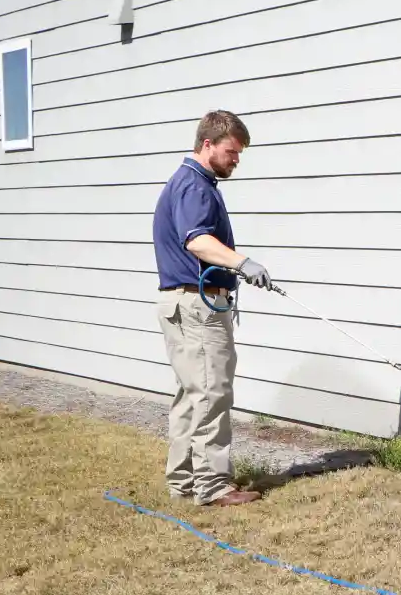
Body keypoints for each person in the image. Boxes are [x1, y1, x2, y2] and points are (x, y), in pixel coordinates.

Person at [151, 110, 274, 506]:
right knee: (211, 393)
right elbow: (197, 241)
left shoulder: (188, 182)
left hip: (183, 303)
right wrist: (242, 263)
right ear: (208, 144)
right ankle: (213, 486)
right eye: (232, 151)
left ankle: (184, 482)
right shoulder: (195, 187)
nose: (236, 159)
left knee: (192, 394)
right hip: (196, 307)